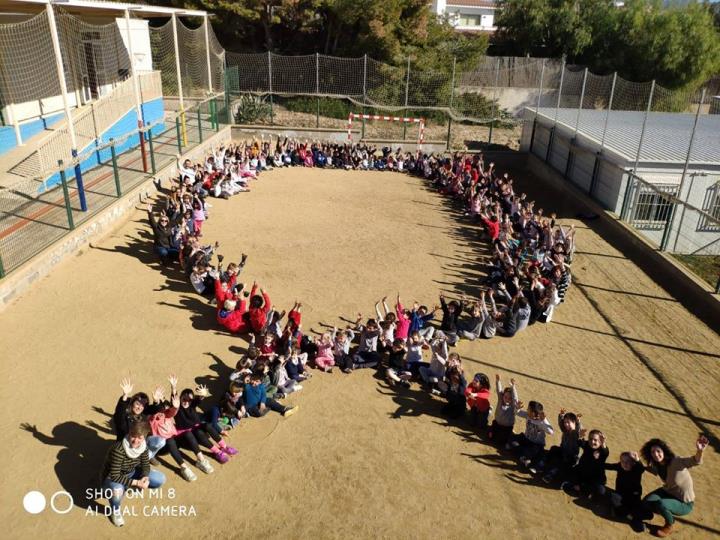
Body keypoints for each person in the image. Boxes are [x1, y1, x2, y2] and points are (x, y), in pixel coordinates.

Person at [101, 420, 167, 527]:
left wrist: (145, 477)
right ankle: (115, 511)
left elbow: (145, 464)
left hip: (131, 472)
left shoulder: (143, 447)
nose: (135, 441)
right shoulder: (119, 450)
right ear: (129, 433)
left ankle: (127, 487)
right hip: (112, 479)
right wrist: (136, 483)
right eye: (133, 436)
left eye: (140, 438)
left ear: (144, 438)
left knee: (160, 479)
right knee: (117, 491)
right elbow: (115, 475)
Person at [640, 435, 709, 537]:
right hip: (668, 492)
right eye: (652, 452)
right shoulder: (657, 464)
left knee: (661, 504)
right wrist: (638, 464)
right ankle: (660, 511)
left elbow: (695, 461)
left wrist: (700, 451)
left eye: (658, 451)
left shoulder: (676, 461)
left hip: (684, 502)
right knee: (646, 502)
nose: (656, 454)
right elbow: (654, 471)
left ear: (664, 451)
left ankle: (669, 524)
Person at [604, 451, 649, 532]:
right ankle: (632, 518)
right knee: (614, 497)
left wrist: (638, 460)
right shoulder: (619, 466)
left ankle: (621, 512)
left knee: (649, 515)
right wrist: (597, 462)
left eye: (628, 461)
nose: (625, 464)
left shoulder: (636, 469)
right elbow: (609, 466)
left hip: (634, 497)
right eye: (623, 461)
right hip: (621, 495)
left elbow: (641, 468)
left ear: (633, 463)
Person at [488, 374, 519, 447]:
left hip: (507, 427)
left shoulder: (513, 406)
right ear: (503, 396)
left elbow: (515, 398)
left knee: (501, 441)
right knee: (490, 436)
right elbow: (499, 391)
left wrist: (513, 387)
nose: (507, 399)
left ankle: (510, 433)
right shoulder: (500, 400)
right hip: (497, 423)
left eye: (509, 398)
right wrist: (498, 381)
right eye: (505, 397)